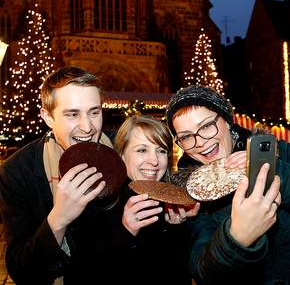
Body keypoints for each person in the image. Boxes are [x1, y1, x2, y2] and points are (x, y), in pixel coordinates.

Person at [166, 84, 290, 284]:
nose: (199, 142)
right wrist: (236, 238)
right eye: (186, 136)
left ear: (226, 120)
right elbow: (203, 272)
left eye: (206, 125)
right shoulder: (191, 195)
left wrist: (269, 169)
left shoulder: (276, 151)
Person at [0, 66, 129, 284]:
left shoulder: (123, 152)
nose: (87, 127)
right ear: (48, 117)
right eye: (72, 114)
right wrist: (59, 218)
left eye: (94, 112)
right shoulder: (18, 171)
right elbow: (22, 271)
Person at [113, 114, 199, 285]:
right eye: (142, 150)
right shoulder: (101, 204)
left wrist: (176, 229)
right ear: (122, 155)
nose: (154, 161)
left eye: (161, 151)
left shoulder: (173, 202)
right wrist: (126, 233)